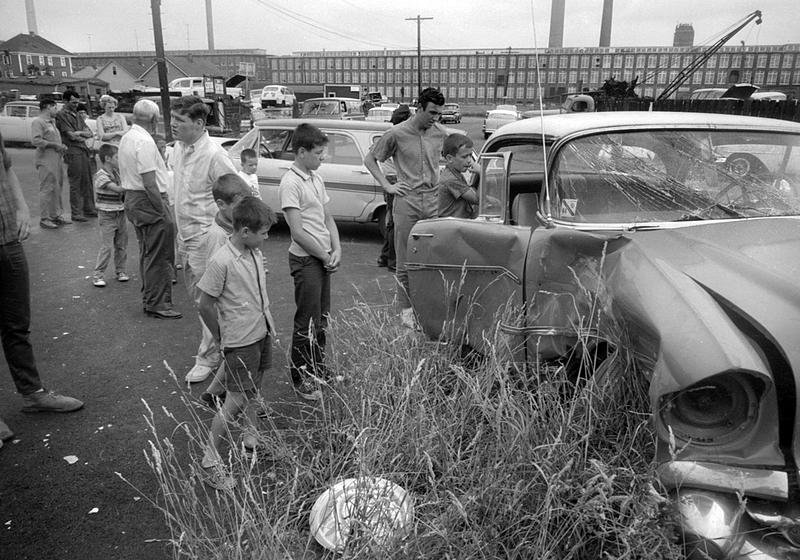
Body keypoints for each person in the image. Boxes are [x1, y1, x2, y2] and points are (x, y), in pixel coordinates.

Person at [0, 132, 84, 449]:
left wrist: (22, 207)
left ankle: (33, 393)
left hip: (8, 237)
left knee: (17, 324)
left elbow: (6, 167)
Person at [196, 196, 277, 489]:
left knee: (254, 389)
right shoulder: (222, 260)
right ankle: (210, 461)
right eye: (263, 232)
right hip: (240, 341)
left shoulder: (253, 252)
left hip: (259, 334)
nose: (267, 237)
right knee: (234, 401)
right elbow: (204, 303)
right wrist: (220, 337)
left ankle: (251, 437)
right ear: (245, 232)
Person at [364, 87, 447, 329]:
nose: (435, 118)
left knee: (430, 258)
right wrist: (388, 187)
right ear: (419, 108)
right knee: (404, 259)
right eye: (431, 112)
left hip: (432, 201)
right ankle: (405, 312)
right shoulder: (397, 133)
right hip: (407, 200)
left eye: (439, 113)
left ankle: (426, 309)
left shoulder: (440, 132)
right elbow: (370, 160)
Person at [170, 95, 237, 383]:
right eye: (172, 119)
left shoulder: (214, 154)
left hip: (205, 238)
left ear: (198, 123)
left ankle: (210, 358)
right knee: (197, 299)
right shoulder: (177, 148)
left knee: (206, 301)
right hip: (184, 236)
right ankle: (224, 349)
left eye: (179, 121)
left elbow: (238, 193)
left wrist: (228, 234)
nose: (173, 125)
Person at [279, 123, 341, 401]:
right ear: (301, 152)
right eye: (318, 152)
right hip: (307, 260)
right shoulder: (290, 182)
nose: (323, 157)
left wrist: (336, 248)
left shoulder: (315, 178)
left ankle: (318, 369)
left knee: (321, 319)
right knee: (306, 321)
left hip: (322, 257)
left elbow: (328, 218)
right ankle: (300, 376)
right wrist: (325, 255)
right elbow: (298, 232)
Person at [118, 99, 181, 319]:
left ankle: (151, 299)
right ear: (154, 119)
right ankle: (158, 303)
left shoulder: (127, 137)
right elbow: (149, 182)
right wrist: (163, 210)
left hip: (135, 199)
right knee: (159, 254)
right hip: (148, 199)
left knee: (148, 252)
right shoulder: (144, 141)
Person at [196, 173, 252, 408]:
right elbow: (213, 283)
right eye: (238, 206)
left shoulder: (234, 226)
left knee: (234, 355)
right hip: (228, 307)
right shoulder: (217, 236)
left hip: (240, 302)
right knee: (241, 356)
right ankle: (244, 402)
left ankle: (212, 393)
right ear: (221, 205)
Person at [376, 104, 412, 271]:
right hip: (394, 179)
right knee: (396, 223)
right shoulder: (399, 136)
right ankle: (392, 260)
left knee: (391, 221)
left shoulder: (393, 133)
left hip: (390, 178)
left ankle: (385, 257)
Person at [91, 144, 129, 287]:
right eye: (117, 157)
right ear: (107, 158)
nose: (119, 160)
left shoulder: (117, 173)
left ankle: (121, 271)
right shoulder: (101, 176)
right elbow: (118, 189)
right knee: (107, 247)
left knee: (121, 245)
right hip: (107, 216)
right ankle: (98, 275)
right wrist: (134, 184)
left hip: (120, 213)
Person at [56, 90, 96, 222]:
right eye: (73, 102)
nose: (76, 105)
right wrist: (79, 134)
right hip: (73, 151)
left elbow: (89, 133)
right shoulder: (62, 115)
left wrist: (78, 133)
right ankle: (76, 212)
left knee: (88, 181)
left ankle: (89, 208)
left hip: (83, 150)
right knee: (76, 182)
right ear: (65, 101)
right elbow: (70, 136)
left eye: (77, 102)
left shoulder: (77, 114)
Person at [31, 98, 68, 230]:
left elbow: (54, 139)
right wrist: (54, 145)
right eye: (54, 108)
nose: (56, 111)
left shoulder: (52, 122)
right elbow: (36, 141)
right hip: (45, 160)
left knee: (56, 187)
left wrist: (60, 146)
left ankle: (55, 215)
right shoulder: (38, 122)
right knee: (46, 188)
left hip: (56, 159)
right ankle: (44, 218)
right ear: (47, 107)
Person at [438, 133, 479, 219]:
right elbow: (477, 200)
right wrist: (482, 173)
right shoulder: (451, 180)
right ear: (450, 159)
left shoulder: (456, 174)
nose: (469, 161)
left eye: (470, 156)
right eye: (464, 157)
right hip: (452, 226)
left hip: (458, 223)